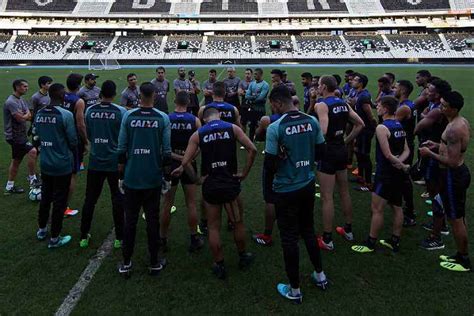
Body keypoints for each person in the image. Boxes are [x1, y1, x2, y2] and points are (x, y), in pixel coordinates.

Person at [171, 107, 257, 280]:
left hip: (210, 186)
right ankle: (242, 256)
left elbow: (186, 161)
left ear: (203, 119)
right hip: (229, 183)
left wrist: (196, 179)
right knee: (237, 222)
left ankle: (219, 264)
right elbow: (252, 149)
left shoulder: (198, 134)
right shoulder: (232, 128)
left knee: (213, 226)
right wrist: (245, 173)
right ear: (219, 115)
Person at [264, 85, 328, 303]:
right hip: (307, 183)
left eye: (273, 105)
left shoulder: (276, 127)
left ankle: (295, 290)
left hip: (285, 188)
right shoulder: (311, 121)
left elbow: (270, 164)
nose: (274, 109)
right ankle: (320, 275)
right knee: (308, 230)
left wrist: (283, 159)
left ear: (279, 102)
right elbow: (321, 151)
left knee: (289, 238)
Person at [117, 82, 171, 277]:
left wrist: (121, 176)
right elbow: (166, 152)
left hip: (132, 176)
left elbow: (121, 149)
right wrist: (166, 177)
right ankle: (154, 263)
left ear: (139, 95)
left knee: (129, 221)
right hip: (152, 177)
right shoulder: (162, 118)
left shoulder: (128, 116)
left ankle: (126, 263)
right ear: (155, 96)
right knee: (152, 221)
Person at [419, 91, 471, 272]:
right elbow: (450, 149)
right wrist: (437, 145)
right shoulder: (459, 122)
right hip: (454, 175)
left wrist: (429, 153)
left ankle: (464, 259)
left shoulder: (454, 129)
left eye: (444, 106)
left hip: (453, 176)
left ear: (453, 109)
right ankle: (460, 253)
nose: (440, 108)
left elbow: (453, 161)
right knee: (456, 216)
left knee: (455, 219)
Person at [352, 96, 410, 254]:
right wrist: (401, 164)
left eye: (378, 106)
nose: (376, 107)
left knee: (377, 209)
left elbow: (387, 154)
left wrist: (399, 164)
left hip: (385, 173)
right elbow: (407, 150)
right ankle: (394, 241)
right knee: (397, 207)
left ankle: (371, 242)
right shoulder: (399, 125)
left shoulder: (382, 128)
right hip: (397, 173)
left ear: (385, 108)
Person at [314, 76, 365, 251]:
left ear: (324, 87)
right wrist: (345, 140)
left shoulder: (321, 104)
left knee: (327, 196)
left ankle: (327, 239)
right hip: (341, 150)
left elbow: (323, 130)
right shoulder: (344, 103)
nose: (318, 88)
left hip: (328, 151)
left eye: (319, 85)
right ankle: (348, 230)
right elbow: (360, 124)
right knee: (344, 191)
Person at [79, 80, 127, 249]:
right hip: (115, 163)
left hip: (95, 161)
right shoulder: (121, 112)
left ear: (100, 94)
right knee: (117, 198)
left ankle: (84, 236)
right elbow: (123, 136)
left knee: (90, 200)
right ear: (114, 94)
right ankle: (119, 238)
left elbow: (90, 134)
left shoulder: (90, 111)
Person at [34, 83, 77, 248]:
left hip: (45, 162)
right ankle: (55, 238)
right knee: (59, 201)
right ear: (60, 95)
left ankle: (42, 229)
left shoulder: (39, 113)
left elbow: (36, 135)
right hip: (62, 164)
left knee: (45, 198)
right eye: (63, 92)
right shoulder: (65, 114)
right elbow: (72, 140)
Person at [161, 91, 204, 253]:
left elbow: (163, 147)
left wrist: (178, 159)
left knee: (167, 204)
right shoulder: (194, 120)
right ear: (189, 103)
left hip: (170, 164)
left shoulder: (167, 119)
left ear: (174, 101)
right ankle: (194, 238)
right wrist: (186, 159)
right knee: (191, 203)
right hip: (189, 163)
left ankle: (162, 239)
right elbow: (200, 145)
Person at [416, 79, 452, 248]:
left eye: (429, 91)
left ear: (438, 95)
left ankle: (436, 237)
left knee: (436, 193)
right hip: (431, 152)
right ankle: (441, 225)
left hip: (435, 156)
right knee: (433, 190)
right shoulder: (433, 107)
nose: (426, 93)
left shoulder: (437, 111)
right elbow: (424, 116)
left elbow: (420, 125)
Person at [251, 101, 283, 246]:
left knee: (270, 198)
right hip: (294, 163)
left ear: (277, 103)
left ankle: (267, 235)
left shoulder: (268, 120)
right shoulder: (305, 118)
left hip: (274, 161)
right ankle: (299, 229)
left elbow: (258, 136)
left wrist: (260, 127)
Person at [4, 79, 39, 194]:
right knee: (33, 151)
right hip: (14, 136)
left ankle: (9, 187)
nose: (26, 88)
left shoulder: (21, 99)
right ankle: (32, 178)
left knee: (16, 161)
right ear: (17, 87)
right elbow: (20, 118)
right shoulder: (11, 102)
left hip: (20, 135)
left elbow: (29, 115)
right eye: (24, 86)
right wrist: (25, 115)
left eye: (27, 86)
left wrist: (25, 115)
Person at [62, 73, 88, 216]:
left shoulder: (61, 97)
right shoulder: (78, 101)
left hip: (60, 138)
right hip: (73, 140)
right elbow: (80, 124)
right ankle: (64, 207)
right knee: (72, 174)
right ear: (79, 85)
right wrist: (85, 141)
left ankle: (58, 201)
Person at [394, 80, 417, 226]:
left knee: (403, 178)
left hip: (404, 146)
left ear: (402, 90)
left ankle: (409, 212)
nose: (393, 89)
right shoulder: (410, 104)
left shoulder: (403, 108)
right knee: (403, 177)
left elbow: (390, 123)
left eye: (395, 87)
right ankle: (406, 208)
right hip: (407, 143)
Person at [352, 73, 376, 192]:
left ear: (361, 83)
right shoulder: (360, 94)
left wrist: (372, 126)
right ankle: (361, 177)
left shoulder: (363, 96)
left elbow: (370, 115)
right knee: (359, 152)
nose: (352, 81)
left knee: (365, 154)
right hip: (361, 129)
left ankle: (368, 183)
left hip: (365, 130)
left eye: (355, 80)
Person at [245, 68, 270, 141]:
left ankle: (263, 142)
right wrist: (255, 96)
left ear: (261, 74)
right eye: (254, 74)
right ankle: (250, 141)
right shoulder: (252, 83)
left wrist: (251, 98)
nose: (254, 75)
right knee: (251, 126)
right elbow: (247, 96)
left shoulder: (265, 85)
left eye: (256, 74)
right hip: (252, 109)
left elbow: (261, 98)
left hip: (260, 109)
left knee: (262, 126)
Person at [238, 68, 253, 133]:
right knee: (243, 122)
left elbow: (255, 94)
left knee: (253, 122)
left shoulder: (254, 82)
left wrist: (244, 92)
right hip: (244, 105)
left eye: (248, 74)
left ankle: (252, 137)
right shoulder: (242, 82)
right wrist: (250, 92)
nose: (247, 75)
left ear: (251, 74)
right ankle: (244, 136)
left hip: (253, 105)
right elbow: (239, 93)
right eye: (246, 73)